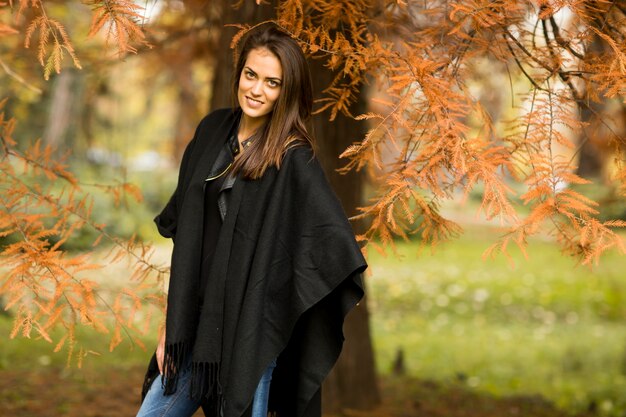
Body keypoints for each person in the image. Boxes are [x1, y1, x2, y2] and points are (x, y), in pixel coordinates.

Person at [137, 23, 367, 417]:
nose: (257, 90)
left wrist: (276, 301)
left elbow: (332, 243)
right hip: (194, 329)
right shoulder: (212, 132)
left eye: (272, 82)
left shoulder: (293, 158)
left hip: (250, 337)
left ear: (287, 91)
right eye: (251, 75)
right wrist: (170, 325)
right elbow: (188, 241)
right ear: (240, 73)